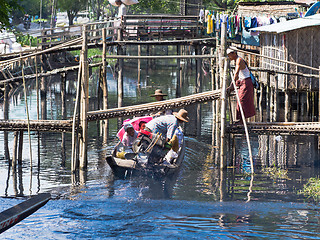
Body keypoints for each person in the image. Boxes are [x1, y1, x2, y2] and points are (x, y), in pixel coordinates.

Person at [226, 47, 255, 123]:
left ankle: (242, 121)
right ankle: (241, 120)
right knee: (241, 101)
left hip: (246, 83)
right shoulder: (236, 60)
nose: (229, 57)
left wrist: (231, 85)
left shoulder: (239, 60)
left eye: (229, 55)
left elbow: (236, 74)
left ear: (234, 53)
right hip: (243, 82)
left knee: (242, 100)